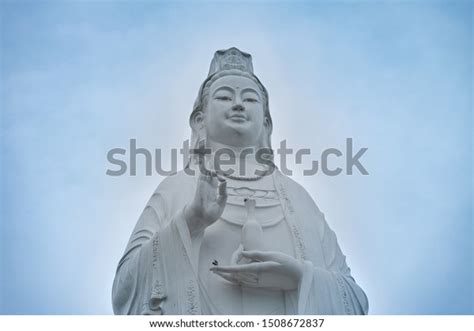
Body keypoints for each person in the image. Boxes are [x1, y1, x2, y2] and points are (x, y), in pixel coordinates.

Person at [112, 47, 368, 315]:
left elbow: (355, 299)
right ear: (200, 120)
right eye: (224, 97)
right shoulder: (179, 187)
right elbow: (125, 291)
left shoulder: (297, 196)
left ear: (266, 124)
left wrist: (301, 277)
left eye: (250, 99)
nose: (238, 105)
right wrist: (191, 220)